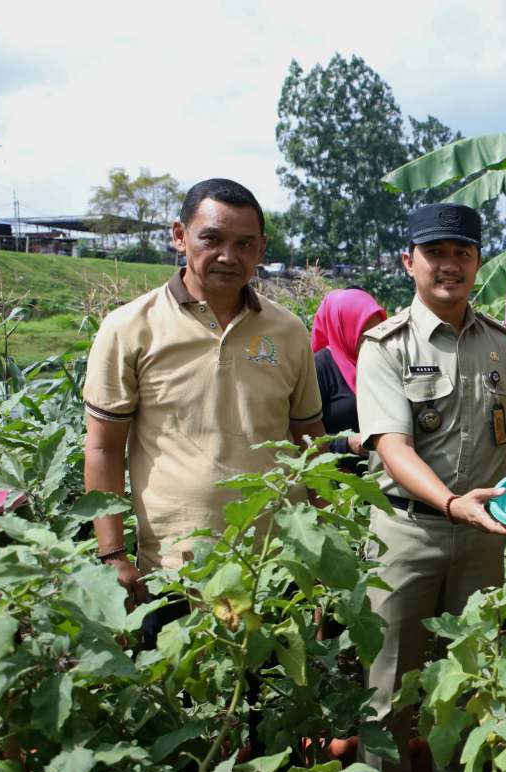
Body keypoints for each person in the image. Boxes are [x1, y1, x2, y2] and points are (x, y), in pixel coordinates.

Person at [355, 202, 506, 772]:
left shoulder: (501, 346)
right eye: (435, 253)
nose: (449, 265)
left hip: (485, 537)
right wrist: (454, 502)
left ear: (478, 262)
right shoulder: (385, 346)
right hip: (406, 534)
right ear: (410, 262)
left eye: (462, 253)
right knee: (387, 688)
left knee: (471, 681)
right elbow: (392, 448)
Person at [83, 178, 325, 646]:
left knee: (274, 709)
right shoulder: (131, 328)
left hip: (274, 568)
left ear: (261, 249)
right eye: (211, 239)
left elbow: (308, 440)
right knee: (183, 706)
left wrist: (324, 548)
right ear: (180, 236)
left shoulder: (289, 330)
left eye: (244, 244)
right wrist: (112, 553)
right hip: (176, 569)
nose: (228, 256)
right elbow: (103, 446)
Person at [311, 288, 386, 473]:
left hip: (382, 482)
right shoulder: (321, 367)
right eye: (364, 334)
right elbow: (299, 434)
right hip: (336, 486)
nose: (374, 341)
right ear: (345, 330)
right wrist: (345, 443)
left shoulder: (384, 364)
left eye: (378, 332)